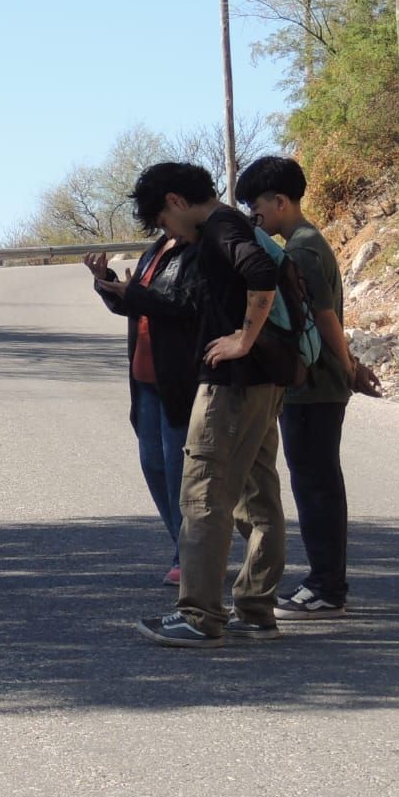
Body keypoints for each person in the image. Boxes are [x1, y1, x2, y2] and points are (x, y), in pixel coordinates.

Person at [129, 163, 294, 648]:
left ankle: (199, 616)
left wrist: (244, 338)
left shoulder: (220, 227)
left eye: (163, 219)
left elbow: (261, 273)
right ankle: (256, 608)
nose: (167, 231)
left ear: (177, 202)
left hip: (232, 386)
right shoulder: (231, 226)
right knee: (257, 494)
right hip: (264, 382)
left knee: (203, 493)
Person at [235, 155, 376, 618]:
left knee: (316, 484)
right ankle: (326, 581)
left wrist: (349, 366)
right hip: (312, 384)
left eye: (257, 207)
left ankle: (326, 587)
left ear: (280, 201)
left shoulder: (303, 249)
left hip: (317, 385)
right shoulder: (299, 243)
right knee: (316, 480)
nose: (254, 217)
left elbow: (324, 316)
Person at [84, 229, 201, 587]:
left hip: (177, 379)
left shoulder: (197, 251)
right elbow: (136, 305)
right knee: (154, 466)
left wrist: (136, 294)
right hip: (145, 379)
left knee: (179, 472)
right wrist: (106, 282)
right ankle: (187, 548)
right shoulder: (157, 249)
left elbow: (184, 309)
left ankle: (191, 557)